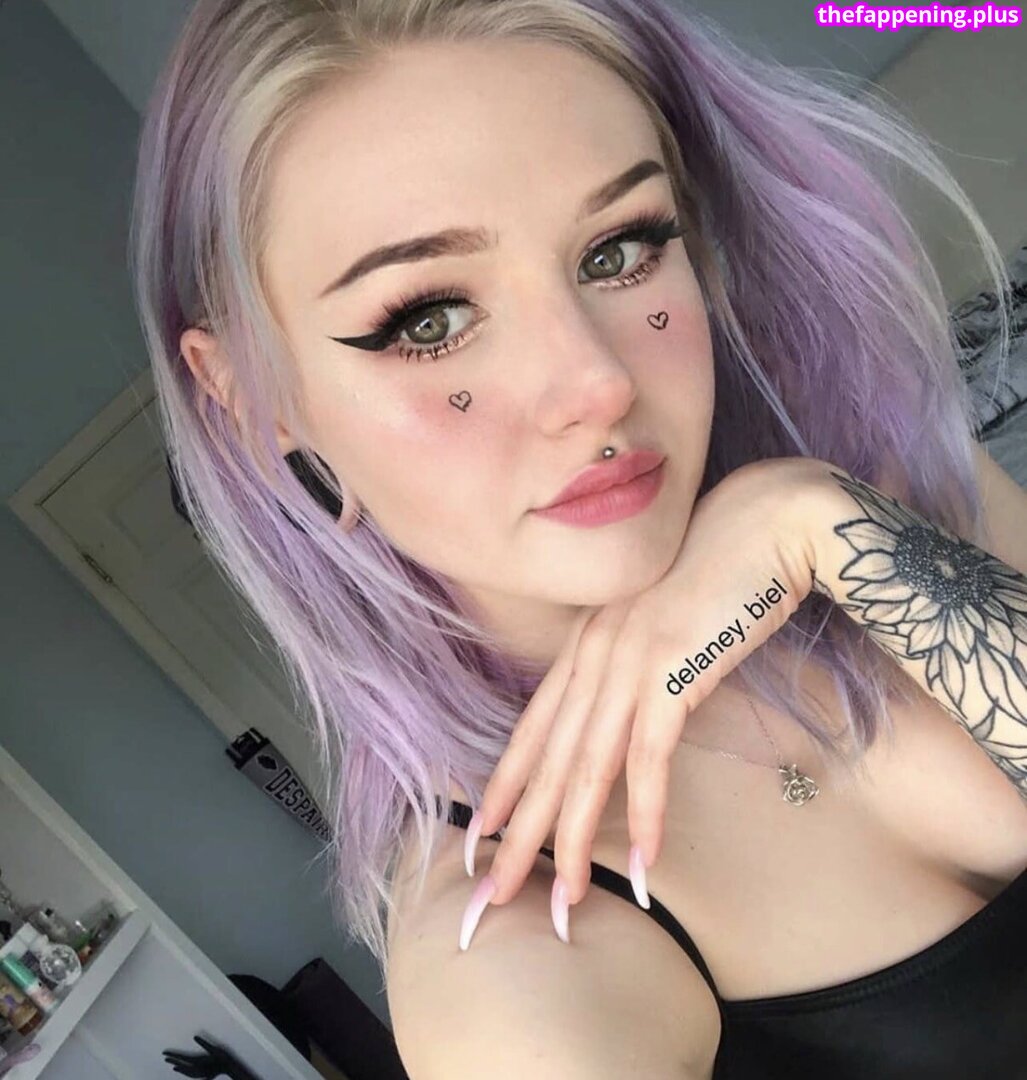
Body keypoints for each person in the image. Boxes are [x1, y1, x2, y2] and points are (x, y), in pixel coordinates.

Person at [129, 0, 1027, 1075]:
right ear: (257, 401)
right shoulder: (514, 954)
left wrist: (810, 518)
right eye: (428, 321)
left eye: (618, 250)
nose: (595, 384)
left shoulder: (871, 495)